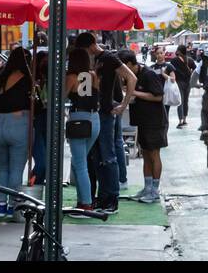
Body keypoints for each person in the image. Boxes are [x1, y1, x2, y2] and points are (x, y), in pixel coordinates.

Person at [77, 32, 136, 212]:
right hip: (93, 112)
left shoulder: (109, 58)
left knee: (107, 155)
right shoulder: (90, 61)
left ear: (92, 45)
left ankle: (112, 198)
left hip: (105, 113)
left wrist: (123, 105)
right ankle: (102, 198)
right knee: (96, 157)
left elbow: (131, 77)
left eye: (86, 49)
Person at [0, 46, 33, 219]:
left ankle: (1, 206)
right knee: (16, 169)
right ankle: (15, 207)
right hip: (18, 123)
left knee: (4, 168)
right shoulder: (26, 78)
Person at [124, 51, 168, 202]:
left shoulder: (148, 75)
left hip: (154, 121)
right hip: (141, 120)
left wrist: (134, 92)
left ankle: (155, 191)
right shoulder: (131, 77)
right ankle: (147, 187)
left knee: (154, 154)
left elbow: (158, 96)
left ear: (130, 64)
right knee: (146, 154)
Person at [65, 46, 101, 211]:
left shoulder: (71, 77)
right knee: (80, 161)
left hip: (79, 119)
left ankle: (86, 203)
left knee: (80, 163)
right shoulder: (93, 76)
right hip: (94, 119)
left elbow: (60, 97)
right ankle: (83, 200)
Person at [30, 48, 49, 186]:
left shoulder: (51, 81)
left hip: (47, 120)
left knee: (47, 162)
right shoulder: (31, 81)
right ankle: (34, 184)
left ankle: (37, 184)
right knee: (42, 162)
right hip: (36, 121)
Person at [168, 45, 194, 128]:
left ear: (179, 51)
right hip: (188, 83)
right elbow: (195, 69)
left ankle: (180, 121)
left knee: (180, 102)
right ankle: (185, 119)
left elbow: (169, 70)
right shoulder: (190, 60)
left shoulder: (174, 60)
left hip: (179, 83)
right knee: (186, 101)